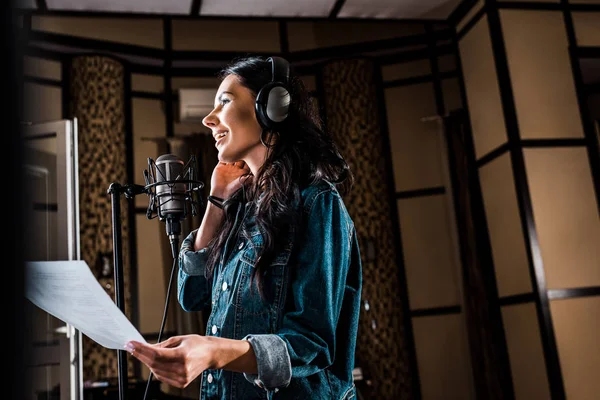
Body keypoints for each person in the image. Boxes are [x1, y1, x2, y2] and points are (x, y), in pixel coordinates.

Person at [126, 55, 362, 400]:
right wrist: (217, 199)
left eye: (224, 101)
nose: (209, 120)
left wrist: (213, 352)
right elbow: (191, 295)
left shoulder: (317, 203)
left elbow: (314, 343)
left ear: (272, 107)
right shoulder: (238, 208)